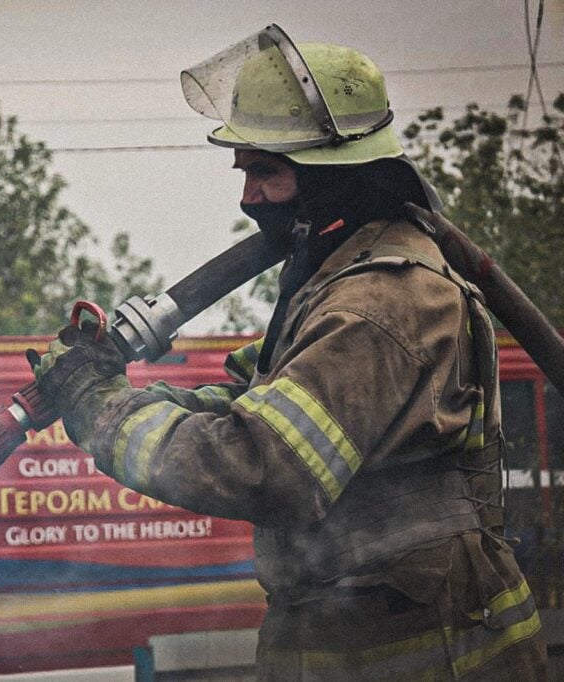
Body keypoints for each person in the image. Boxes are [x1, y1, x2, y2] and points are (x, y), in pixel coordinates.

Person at [30, 25, 547, 679]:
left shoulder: (379, 305)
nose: (249, 198)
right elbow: (254, 409)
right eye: (246, 171)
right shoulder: (336, 283)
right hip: (359, 637)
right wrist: (118, 394)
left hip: (431, 653)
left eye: (266, 173)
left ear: (335, 175)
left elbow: (264, 464)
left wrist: (101, 412)